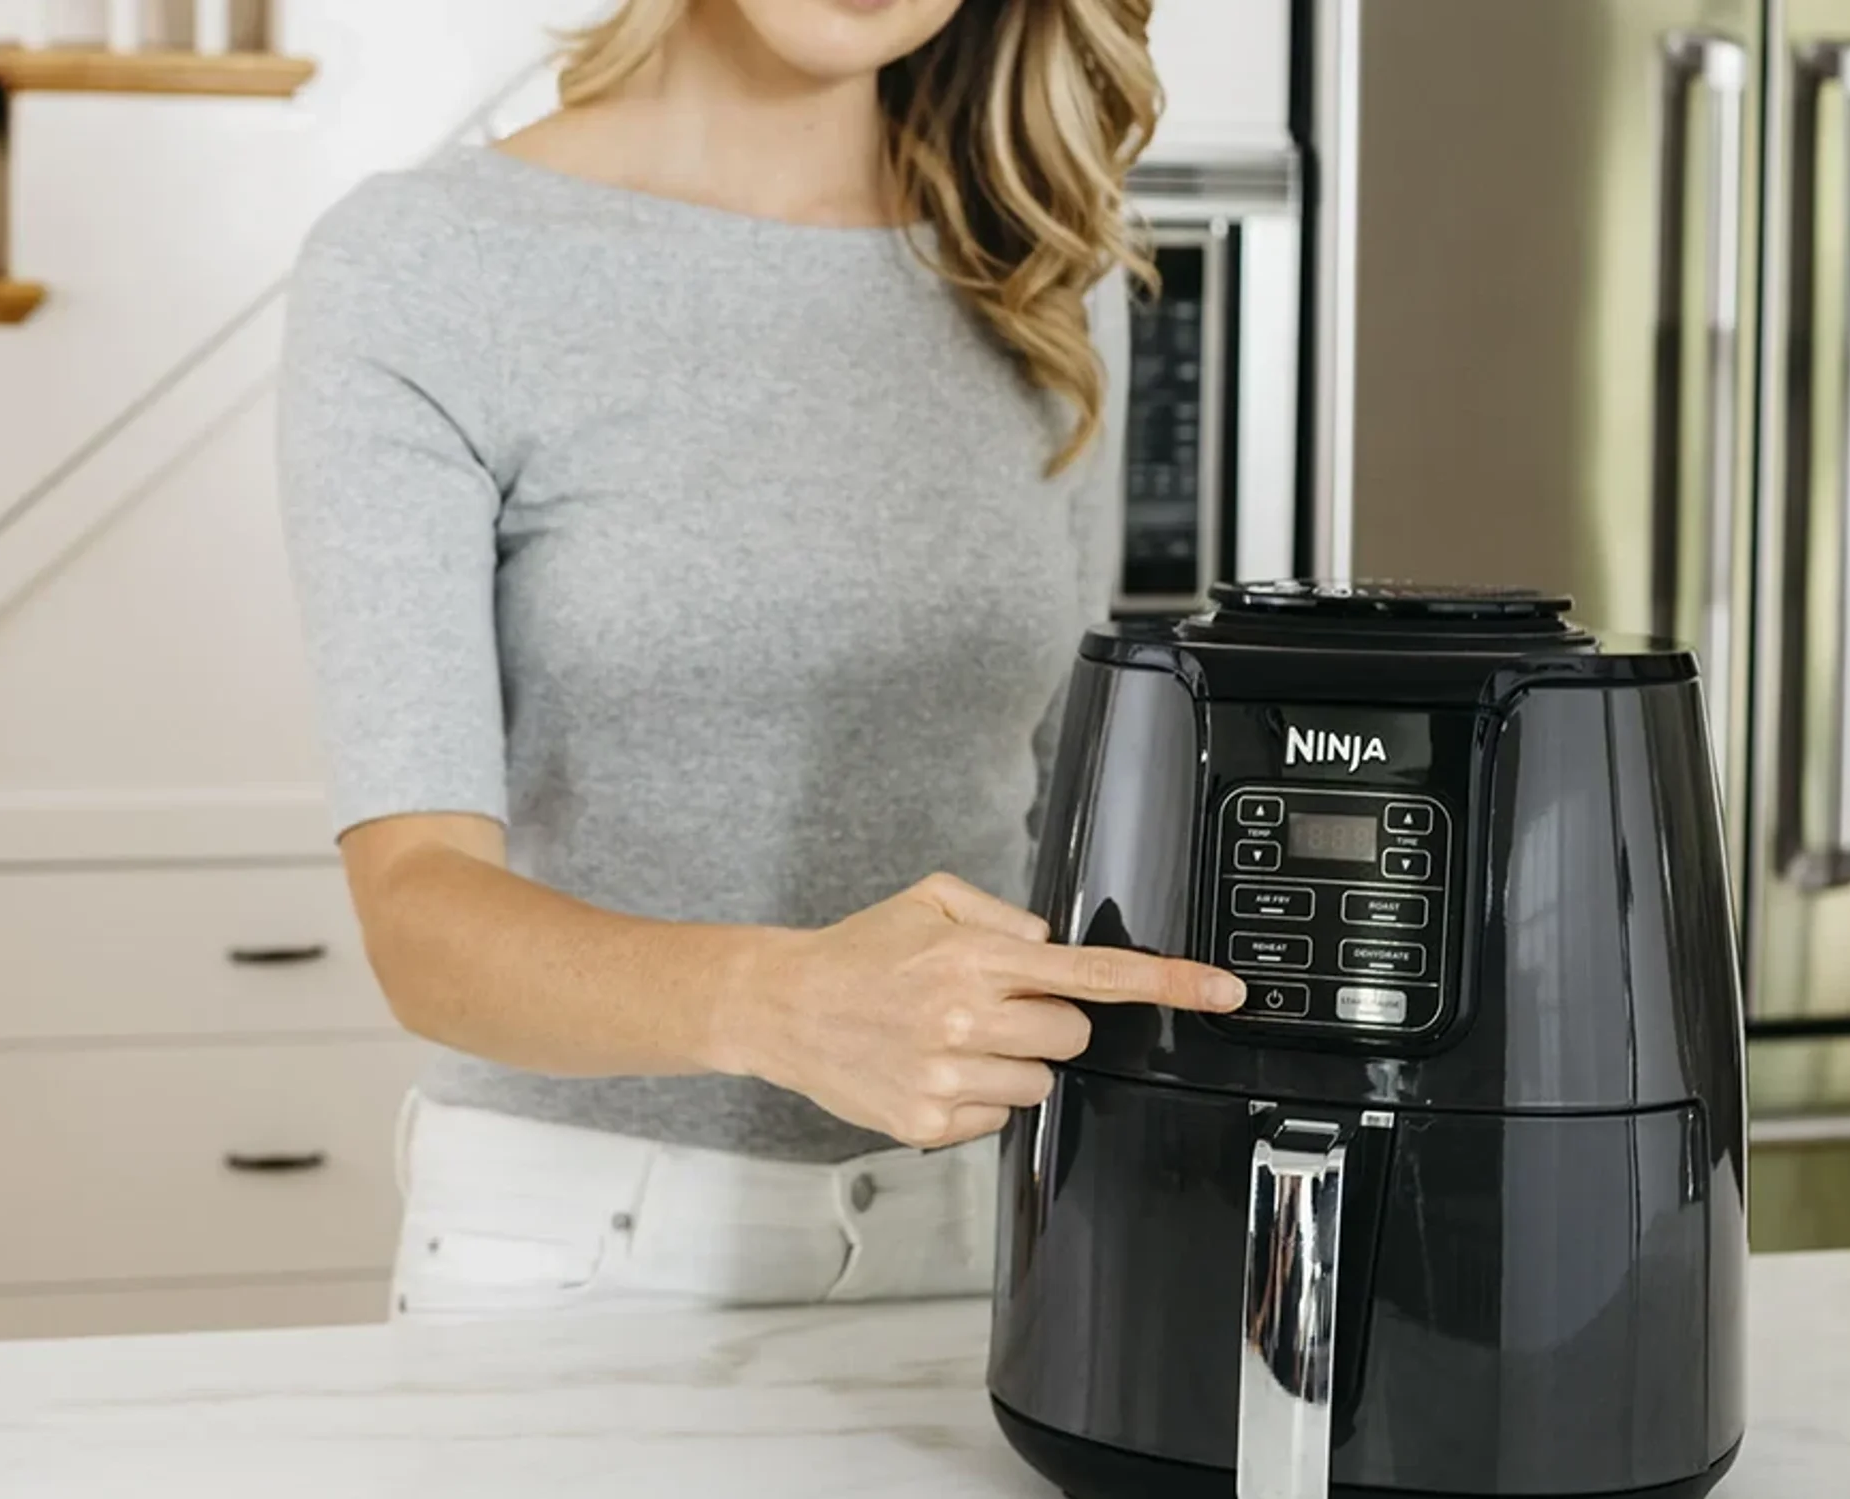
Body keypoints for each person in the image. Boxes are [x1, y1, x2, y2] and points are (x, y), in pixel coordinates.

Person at [276, 0, 1246, 1323]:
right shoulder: (425, 265)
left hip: (986, 1241)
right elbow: (421, 916)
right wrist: (779, 1001)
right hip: (581, 1265)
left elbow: (1062, 816)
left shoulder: (1042, 270)